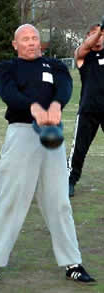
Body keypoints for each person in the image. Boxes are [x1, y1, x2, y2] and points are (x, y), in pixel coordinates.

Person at [0, 24, 95, 285]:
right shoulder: (7, 68)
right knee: (11, 200)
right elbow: (8, 93)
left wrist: (55, 105)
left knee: (59, 202)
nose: (31, 43)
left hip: (51, 136)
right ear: (15, 44)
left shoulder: (55, 66)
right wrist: (33, 107)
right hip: (21, 133)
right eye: (25, 39)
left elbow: (65, 88)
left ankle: (72, 263)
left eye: (35, 38)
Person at [67, 23, 104, 197]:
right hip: (88, 109)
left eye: (101, 34)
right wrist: (101, 29)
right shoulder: (83, 56)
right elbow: (83, 49)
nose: (98, 37)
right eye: (93, 34)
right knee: (79, 149)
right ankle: (70, 181)